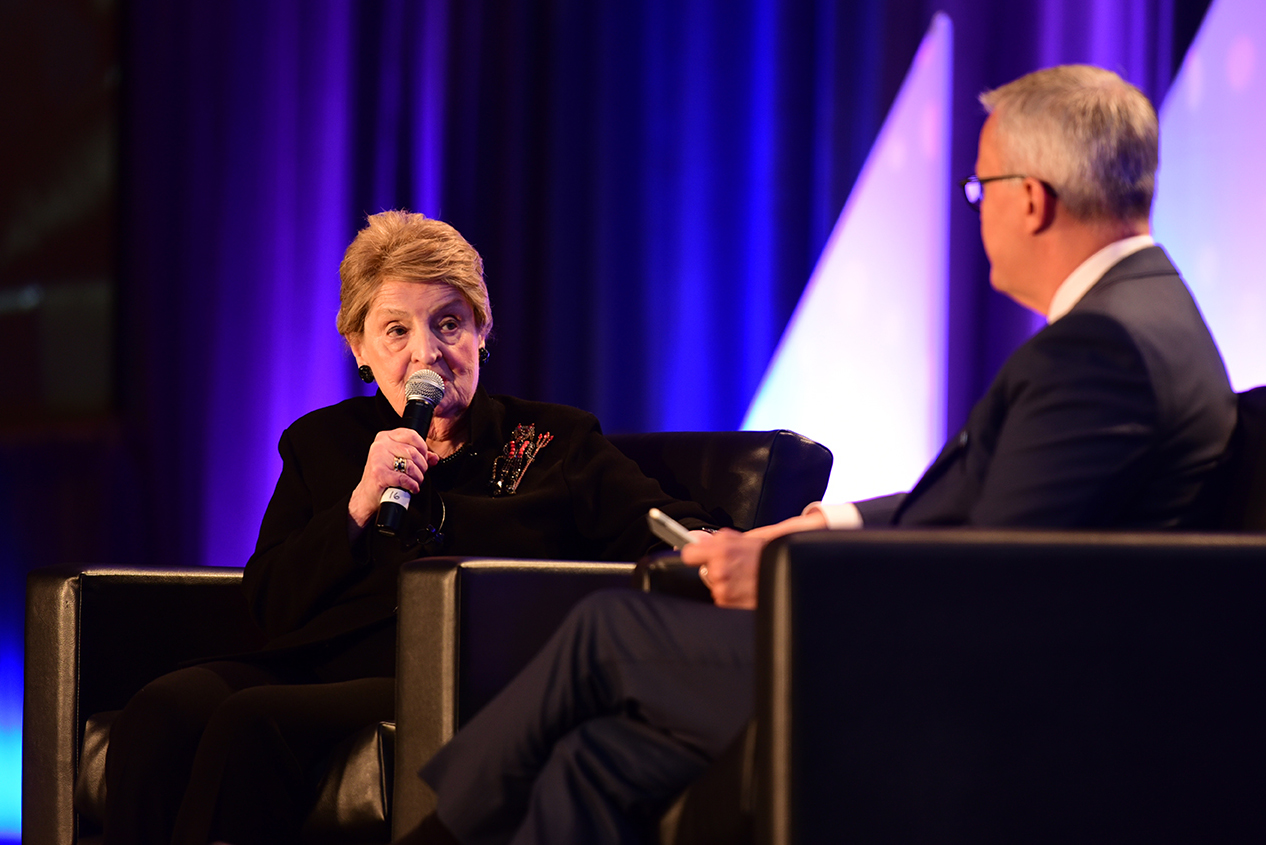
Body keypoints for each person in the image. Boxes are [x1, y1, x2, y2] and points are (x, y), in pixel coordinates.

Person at [404, 65, 1237, 844]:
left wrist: (786, 581)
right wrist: (812, 526)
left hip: (973, 696)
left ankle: (427, 836)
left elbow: (994, 577)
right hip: (966, 658)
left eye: (980, 187)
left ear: (1034, 200)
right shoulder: (1137, 322)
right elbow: (987, 503)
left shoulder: (1103, 349)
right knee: (600, 761)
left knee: (605, 631)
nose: (974, 208)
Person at [101, 211, 715, 845]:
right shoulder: (323, 443)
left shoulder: (554, 441)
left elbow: (662, 526)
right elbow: (270, 600)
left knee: (252, 720)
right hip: (316, 659)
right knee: (161, 710)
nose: (426, 353)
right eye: (396, 330)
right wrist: (357, 505)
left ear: (481, 331)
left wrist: (712, 549)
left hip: (448, 673)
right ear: (361, 351)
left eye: (449, 323)